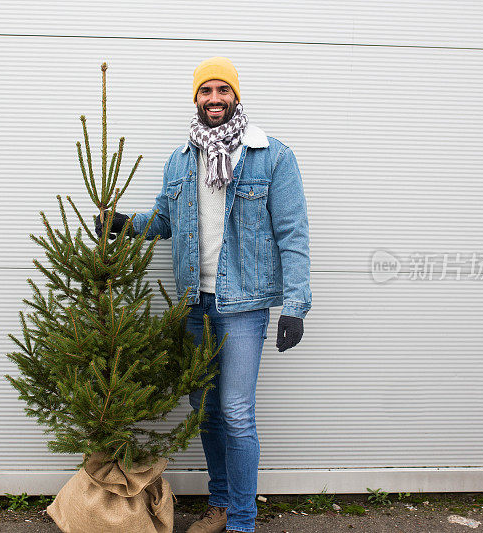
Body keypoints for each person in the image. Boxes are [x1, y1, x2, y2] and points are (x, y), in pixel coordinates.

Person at [95, 56, 311, 533]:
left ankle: (242, 519)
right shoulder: (180, 159)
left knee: (235, 412)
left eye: (223, 91)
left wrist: (295, 306)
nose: (215, 99)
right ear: (196, 98)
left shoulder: (272, 156)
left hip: (244, 306)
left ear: (236, 96)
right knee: (205, 411)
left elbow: (293, 234)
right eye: (206, 92)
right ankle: (218, 502)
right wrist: (125, 226)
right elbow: (166, 221)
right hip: (196, 303)